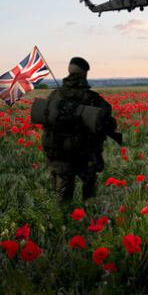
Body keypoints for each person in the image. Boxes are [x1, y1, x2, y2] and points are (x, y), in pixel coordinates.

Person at [42, 57, 118, 204]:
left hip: (59, 154)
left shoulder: (54, 96)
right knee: (89, 196)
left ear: (69, 71)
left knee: (64, 195)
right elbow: (108, 124)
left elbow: (46, 123)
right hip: (85, 156)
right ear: (85, 74)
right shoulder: (93, 99)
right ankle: (88, 219)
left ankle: (64, 219)